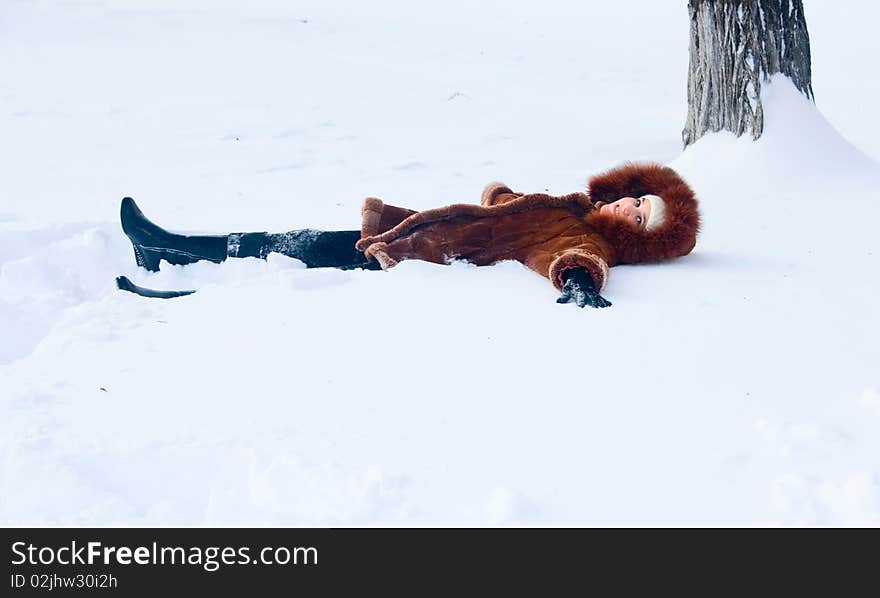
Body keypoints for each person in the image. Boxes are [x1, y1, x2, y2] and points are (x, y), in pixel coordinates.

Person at [118, 162, 700, 307]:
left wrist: (578, 283)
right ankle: (173, 248)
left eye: (638, 217)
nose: (627, 208)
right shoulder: (573, 207)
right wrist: (502, 197)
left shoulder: (588, 238)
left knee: (300, 263)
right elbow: (507, 214)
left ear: (638, 238)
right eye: (634, 199)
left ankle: (184, 281)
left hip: (421, 258)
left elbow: (570, 256)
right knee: (298, 241)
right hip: (418, 235)